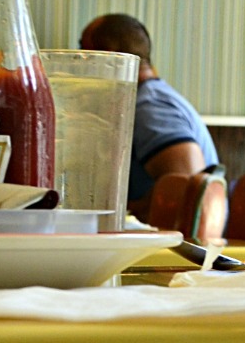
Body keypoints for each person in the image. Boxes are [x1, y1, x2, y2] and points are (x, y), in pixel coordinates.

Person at [77, 14, 219, 213]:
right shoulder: (153, 99)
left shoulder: (149, 108)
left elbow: (192, 197)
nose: (79, 62)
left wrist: (115, 212)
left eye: (83, 51)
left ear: (107, 56)